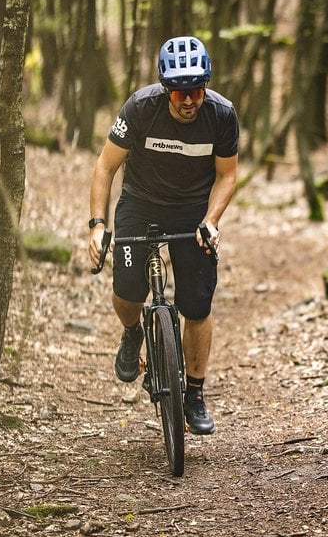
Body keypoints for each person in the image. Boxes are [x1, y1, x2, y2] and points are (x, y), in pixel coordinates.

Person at [87, 36, 239, 435]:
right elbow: (105, 167)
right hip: (140, 204)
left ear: (205, 85)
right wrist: (97, 226)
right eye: (179, 91)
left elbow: (227, 174)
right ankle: (133, 332)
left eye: (196, 90)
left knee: (197, 304)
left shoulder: (222, 115)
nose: (188, 99)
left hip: (192, 212)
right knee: (127, 291)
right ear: (165, 88)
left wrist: (211, 221)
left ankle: (195, 394)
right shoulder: (140, 108)